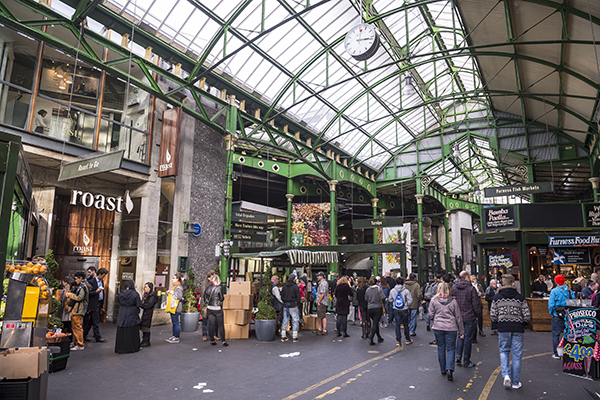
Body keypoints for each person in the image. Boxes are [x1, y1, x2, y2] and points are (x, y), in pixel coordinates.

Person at [491, 274, 531, 390]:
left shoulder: (497, 297)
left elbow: (493, 315)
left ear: (503, 283)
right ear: (513, 283)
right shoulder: (520, 297)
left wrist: (498, 323)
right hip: (518, 328)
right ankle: (515, 382)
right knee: (517, 356)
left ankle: (506, 375)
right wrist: (523, 324)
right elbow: (527, 315)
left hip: (503, 328)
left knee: (504, 351)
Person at [429, 282, 464, 382]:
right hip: (451, 328)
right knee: (451, 349)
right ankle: (450, 369)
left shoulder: (434, 300)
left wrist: (435, 320)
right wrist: (461, 331)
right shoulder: (453, 301)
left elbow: (430, 314)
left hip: (438, 327)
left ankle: (443, 369)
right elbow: (458, 317)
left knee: (441, 348)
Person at [452, 270, 481, 368]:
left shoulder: (454, 288)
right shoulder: (471, 288)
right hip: (469, 316)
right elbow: (475, 303)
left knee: (460, 336)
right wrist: (477, 314)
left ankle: (458, 356)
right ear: (467, 277)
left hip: (457, 316)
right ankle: (466, 360)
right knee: (467, 339)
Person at [548, 274, 573, 359]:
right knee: (568, 334)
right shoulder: (570, 291)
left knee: (555, 335)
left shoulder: (554, 291)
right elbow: (574, 302)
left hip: (557, 315)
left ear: (556, 282)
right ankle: (568, 352)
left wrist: (551, 313)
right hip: (568, 315)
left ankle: (557, 354)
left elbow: (551, 305)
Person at [115, 280, 142, 354]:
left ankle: (121, 348)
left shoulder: (120, 293)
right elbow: (139, 304)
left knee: (122, 331)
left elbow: (119, 301)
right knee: (132, 331)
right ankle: (133, 347)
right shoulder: (135, 294)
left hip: (123, 312)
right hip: (132, 313)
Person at [66, 271, 90, 351]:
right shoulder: (82, 286)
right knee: (75, 327)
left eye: (76, 279)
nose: (75, 281)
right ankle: (77, 342)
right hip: (77, 309)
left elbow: (80, 297)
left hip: (78, 310)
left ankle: (80, 344)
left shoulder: (82, 287)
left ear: (81, 278)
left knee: (77, 327)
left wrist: (70, 295)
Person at [83, 266, 107, 343]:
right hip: (93, 303)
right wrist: (95, 292)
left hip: (99, 302)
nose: (104, 277)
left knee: (91, 321)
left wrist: (102, 305)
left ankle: (84, 334)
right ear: (99, 274)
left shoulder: (102, 281)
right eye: (103, 275)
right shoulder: (91, 282)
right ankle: (97, 337)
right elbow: (87, 293)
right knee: (95, 321)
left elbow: (103, 293)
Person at [389, 276, 413, 346]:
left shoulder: (392, 290)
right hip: (404, 309)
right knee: (406, 325)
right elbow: (410, 300)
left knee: (397, 325)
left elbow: (390, 299)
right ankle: (407, 339)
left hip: (396, 309)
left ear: (396, 283)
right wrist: (407, 306)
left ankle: (398, 341)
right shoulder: (406, 291)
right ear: (403, 283)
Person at [205, 274, 228, 346]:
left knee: (211, 325)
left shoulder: (207, 288)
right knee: (221, 325)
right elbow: (222, 298)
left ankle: (212, 340)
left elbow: (205, 299)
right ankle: (223, 341)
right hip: (217, 308)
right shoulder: (219, 288)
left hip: (210, 308)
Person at [280, 273, 301, 342]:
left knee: (285, 320)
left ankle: (283, 335)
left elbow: (282, 296)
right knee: (295, 320)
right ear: (294, 279)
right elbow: (298, 297)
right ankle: (295, 336)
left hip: (286, 305)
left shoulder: (284, 286)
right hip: (293, 305)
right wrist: (298, 303)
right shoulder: (295, 287)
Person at [365, 278, 385, 345]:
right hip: (377, 307)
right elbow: (383, 297)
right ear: (376, 283)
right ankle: (371, 338)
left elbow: (366, 299)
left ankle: (379, 337)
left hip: (370, 308)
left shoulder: (367, 290)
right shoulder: (379, 289)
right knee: (375, 324)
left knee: (375, 323)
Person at [165, 272, 184, 344]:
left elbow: (179, 297)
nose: (172, 280)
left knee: (176, 322)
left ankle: (176, 337)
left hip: (176, 307)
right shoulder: (175, 287)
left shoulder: (178, 287)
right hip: (173, 307)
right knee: (174, 322)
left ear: (177, 279)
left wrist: (172, 293)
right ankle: (174, 336)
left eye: (174, 278)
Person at [140, 282, 158, 347]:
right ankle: (144, 340)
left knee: (146, 327)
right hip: (145, 312)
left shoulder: (152, 295)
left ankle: (146, 341)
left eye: (146, 287)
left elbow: (149, 305)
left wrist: (142, 305)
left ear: (150, 288)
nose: (145, 289)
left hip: (148, 313)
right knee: (143, 327)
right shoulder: (146, 295)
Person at [200, 270, 215, 341]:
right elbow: (204, 294)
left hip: (211, 304)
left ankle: (210, 334)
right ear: (210, 276)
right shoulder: (205, 283)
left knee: (211, 320)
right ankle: (204, 334)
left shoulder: (212, 283)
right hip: (206, 304)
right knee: (205, 320)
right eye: (213, 275)